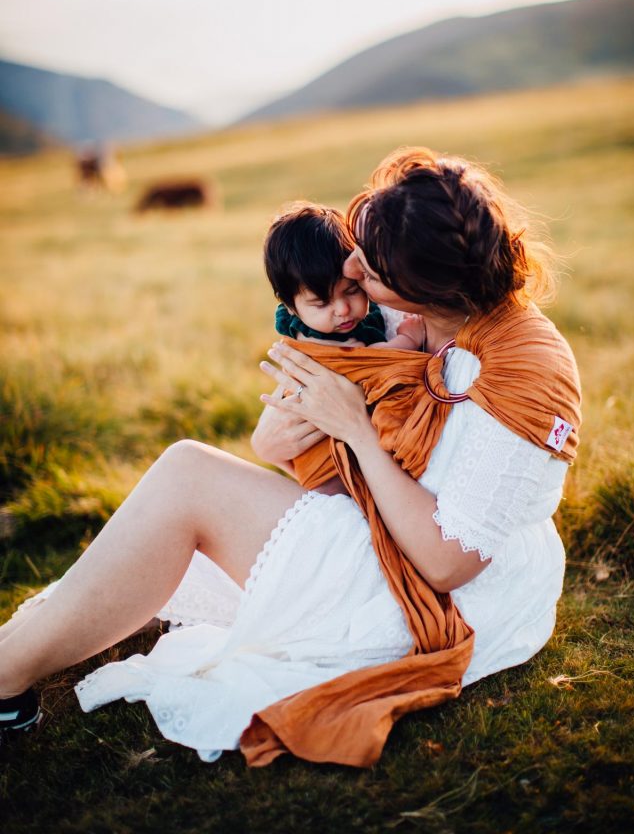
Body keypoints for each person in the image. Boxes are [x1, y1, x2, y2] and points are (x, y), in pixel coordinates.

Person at [0, 147, 580, 765]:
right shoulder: (411, 309)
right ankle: (19, 649)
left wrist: (353, 429)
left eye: (369, 263)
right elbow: (305, 421)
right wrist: (274, 446)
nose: (352, 264)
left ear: (422, 281)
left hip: (445, 592)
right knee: (184, 492)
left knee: (188, 476)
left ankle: (6, 676)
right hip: (378, 523)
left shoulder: (527, 370)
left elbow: (446, 563)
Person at [264, 200, 422, 349]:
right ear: (289, 306)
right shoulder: (321, 341)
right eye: (322, 304)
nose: (343, 310)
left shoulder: (308, 313)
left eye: (352, 291)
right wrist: (409, 339)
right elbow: (373, 357)